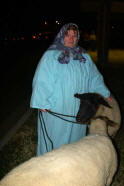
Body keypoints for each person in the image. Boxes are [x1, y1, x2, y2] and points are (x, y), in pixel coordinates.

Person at [30, 23, 112, 156]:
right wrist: (41, 101)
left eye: (74, 35)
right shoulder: (51, 56)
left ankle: (71, 164)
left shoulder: (83, 57)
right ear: (61, 36)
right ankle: (49, 166)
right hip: (57, 106)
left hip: (78, 109)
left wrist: (104, 92)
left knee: (75, 139)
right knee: (55, 138)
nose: (71, 38)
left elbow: (94, 77)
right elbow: (42, 79)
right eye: (67, 35)